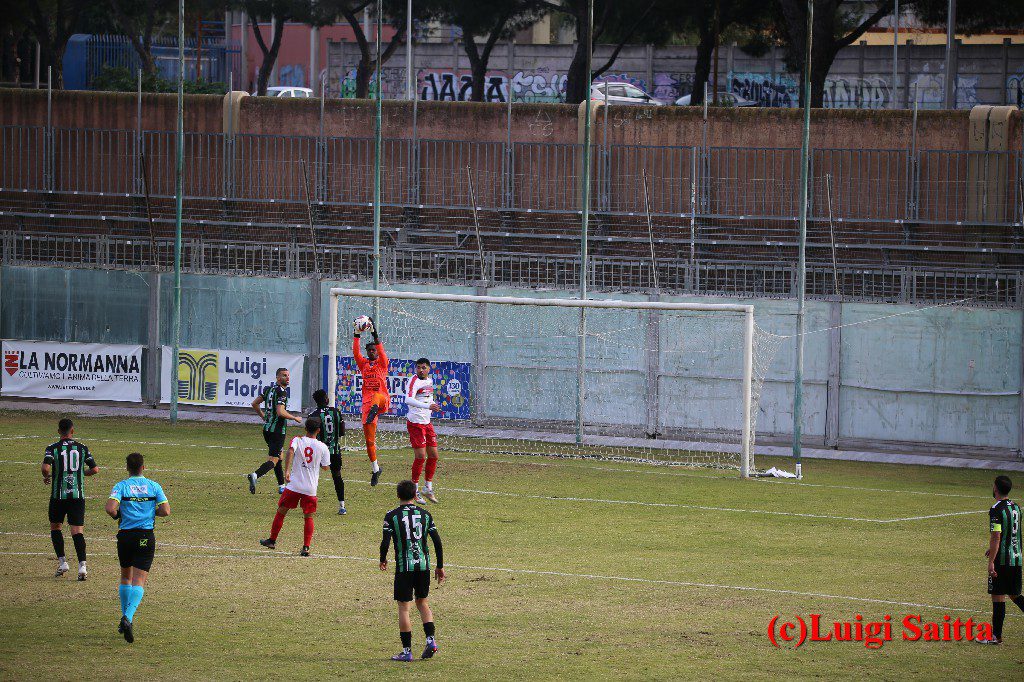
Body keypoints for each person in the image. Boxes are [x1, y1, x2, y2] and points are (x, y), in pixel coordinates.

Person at [105, 452, 170, 644]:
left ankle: (125, 618)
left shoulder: (121, 486)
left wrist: (119, 515)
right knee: (139, 581)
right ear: (143, 467)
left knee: (126, 577)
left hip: (125, 537)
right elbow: (166, 511)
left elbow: (110, 508)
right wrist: (151, 511)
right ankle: (128, 617)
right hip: (145, 536)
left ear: (127, 468)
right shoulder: (153, 486)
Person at [380, 480, 445, 661]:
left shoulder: (391, 515)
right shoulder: (425, 514)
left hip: (404, 567)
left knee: (404, 608)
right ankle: (430, 640)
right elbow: (437, 542)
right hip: (423, 566)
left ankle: (407, 652)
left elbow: (385, 542)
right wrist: (439, 566)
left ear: (398, 495)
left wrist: (382, 558)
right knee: (422, 603)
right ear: (415, 495)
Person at [259, 417, 331, 556]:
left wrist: (287, 470)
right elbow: (326, 467)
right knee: (308, 517)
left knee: (281, 511)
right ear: (318, 430)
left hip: (294, 485)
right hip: (310, 488)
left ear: (305, 428)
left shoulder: (297, 440)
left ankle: (272, 540)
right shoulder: (322, 446)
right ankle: (306, 548)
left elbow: (290, 451)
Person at [42, 418, 99, 580]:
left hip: (58, 496)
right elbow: (94, 469)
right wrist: (80, 474)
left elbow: (45, 468)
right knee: (77, 531)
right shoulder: (82, 448)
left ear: (59, 431)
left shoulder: (52, 448)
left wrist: (47, 476)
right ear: (72, 431)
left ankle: (62, 562)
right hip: (77, 496)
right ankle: (82, 567)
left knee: (56, 528)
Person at [247, 368, 303, 494]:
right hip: (277, 430)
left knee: (279, 455)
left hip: (267, 429)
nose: (287, 378)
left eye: (288, 375)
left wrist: (263, 416)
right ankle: (255, 475)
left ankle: (281, 486)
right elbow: (280, 412)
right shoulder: (282, 392)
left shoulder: (268, 389)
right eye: (284, 375)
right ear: (278, 378)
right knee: (274, 459)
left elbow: (255, 404)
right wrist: (295, 418)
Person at [983, 475, 1024, 645]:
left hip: (1002, 560)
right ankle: (996, 636)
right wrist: (993, 548)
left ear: (996, 489)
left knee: (998, 596)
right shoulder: (1016, 507)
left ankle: (996, 637)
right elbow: (1012, 533)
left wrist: (991, 560)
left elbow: (996, 536)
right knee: (1014, 595)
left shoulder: (996, 509)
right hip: (1016, 558)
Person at [354, 317, 387, 486]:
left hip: (381, 399)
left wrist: (373, 331)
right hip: (368, 405)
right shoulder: (364, 364)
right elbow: (355, 353)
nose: (372, 352)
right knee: (369, 441)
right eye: (370, 351)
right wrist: (356, 335)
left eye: (374, 350)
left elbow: (380, 347)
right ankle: (375, 469)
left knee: (376, 397)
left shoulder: (383, 363)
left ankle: (374, 409)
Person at [405, 358, 442, 504]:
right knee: (420, 456)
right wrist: (428, 407)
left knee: (433, 455)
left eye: (424, 368)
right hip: (416, 423)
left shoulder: (430, 381)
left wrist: (433, 405)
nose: (421, 370)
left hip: (427, 423)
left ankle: (427, 487)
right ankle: (414, 490)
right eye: (418, 367)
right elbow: (408, 399)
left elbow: (428, 399)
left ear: (428, 369)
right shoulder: (413, 381)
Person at [309, 389, 347, 515]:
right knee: (337, 476)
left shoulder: (313, 415)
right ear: (326, 399)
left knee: (313, 475)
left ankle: (309, 505)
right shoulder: (336, 412)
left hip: (319, 451)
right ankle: (342, 506)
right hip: (335, 450)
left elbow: (311, 436)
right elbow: (342, 432)